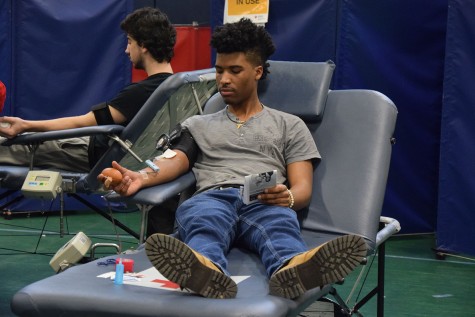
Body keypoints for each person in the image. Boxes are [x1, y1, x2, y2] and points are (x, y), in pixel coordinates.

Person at [99, 18, 367, 300]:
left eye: (235, 71)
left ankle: (293, 268)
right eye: (219, 70)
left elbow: (303, 188)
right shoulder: (198, 124)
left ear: (258, 72)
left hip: (262, 200)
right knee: (203, 220)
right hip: (213, 196)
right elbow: (174, 159)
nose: (224, 79)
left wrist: (286, 198)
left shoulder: (290, 125)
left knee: (279, 226)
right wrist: (139, 176)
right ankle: (204, 269)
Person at [0, 7, 176, 173]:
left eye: (130, 42)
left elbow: (82, 122)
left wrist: (25, 125)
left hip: (88, 152)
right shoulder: (182, 87)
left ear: (143, 45)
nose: (126, 50)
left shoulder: (140, 93)